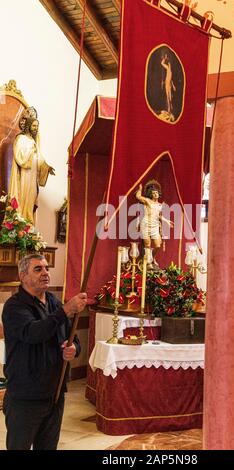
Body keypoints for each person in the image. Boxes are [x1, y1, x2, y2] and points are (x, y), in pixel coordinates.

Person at [2, 253, 87, 450]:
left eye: (47, 268)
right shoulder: (14, 306)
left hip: (55, 393)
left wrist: (74, 349)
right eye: (38, 269)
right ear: (23, 276)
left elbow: (72, 338)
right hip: (25, 396)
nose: (45, 273)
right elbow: (34, 333)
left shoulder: (53, 303)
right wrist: (65, 310)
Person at [8, 110, 55, 224]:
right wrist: (30, 149)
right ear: (28, 126)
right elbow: (19, 157)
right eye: (34, 125)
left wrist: (46, 167)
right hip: (24, 174)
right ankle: (20, 220)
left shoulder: (34, 141)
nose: (36, 128)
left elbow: (39, 158)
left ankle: (28, 222)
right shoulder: (20, 139)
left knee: (31, 197)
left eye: (37, 126)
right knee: (23, 196)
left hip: (33, 175)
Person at [136, 180, 173, 268]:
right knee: (147, 245)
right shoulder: (148, 201)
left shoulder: (160, 205)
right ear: (151, 194)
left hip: (155, 225)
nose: (155, 194)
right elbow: (138, 196)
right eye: (153, 193)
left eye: (156, 193)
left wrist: (167, 221)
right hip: (146, 224)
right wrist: (140, 189)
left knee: (157, 244)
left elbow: (159, 216)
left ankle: (152, 257)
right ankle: (148, 263)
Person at [161, 53, 176, 117]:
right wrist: (164, 58)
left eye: (170, 64)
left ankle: (170, 108)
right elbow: (162, 63)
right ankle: (169, 108)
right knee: (168, 97)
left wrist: (173, 86)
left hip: (169, 84)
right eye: (169, 64)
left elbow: (171, 79)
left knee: (170, 97)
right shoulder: (167, 68)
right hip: (167, 84)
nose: (169, 65)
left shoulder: (171, 71)